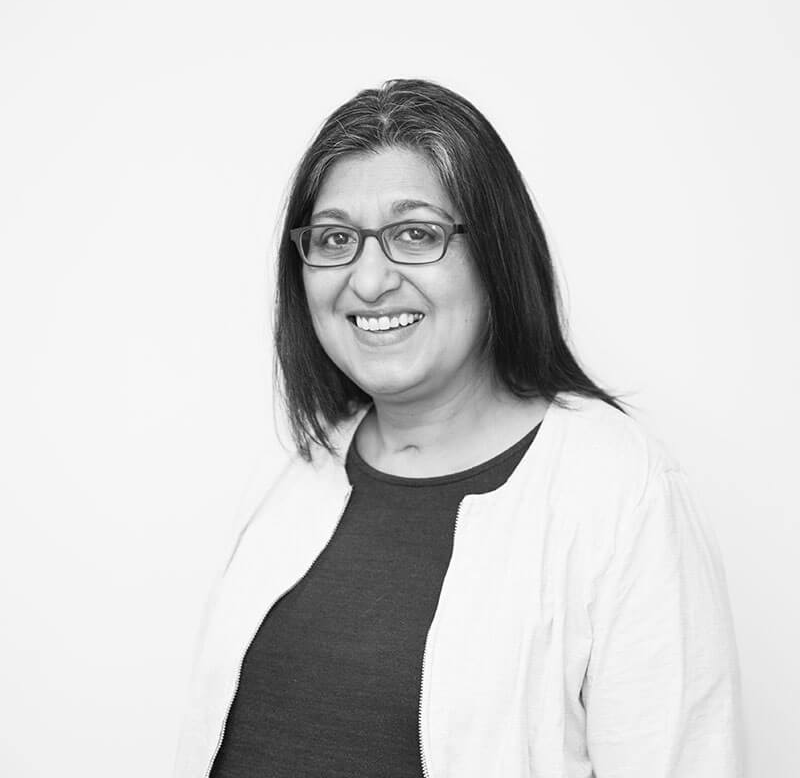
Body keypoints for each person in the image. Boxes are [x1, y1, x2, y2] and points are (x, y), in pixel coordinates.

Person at [172, 79, 744, 777]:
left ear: (496, 256)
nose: (370, 280)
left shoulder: (620, 490)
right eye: (335, 239)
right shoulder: (299, 468)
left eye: (416, 234)